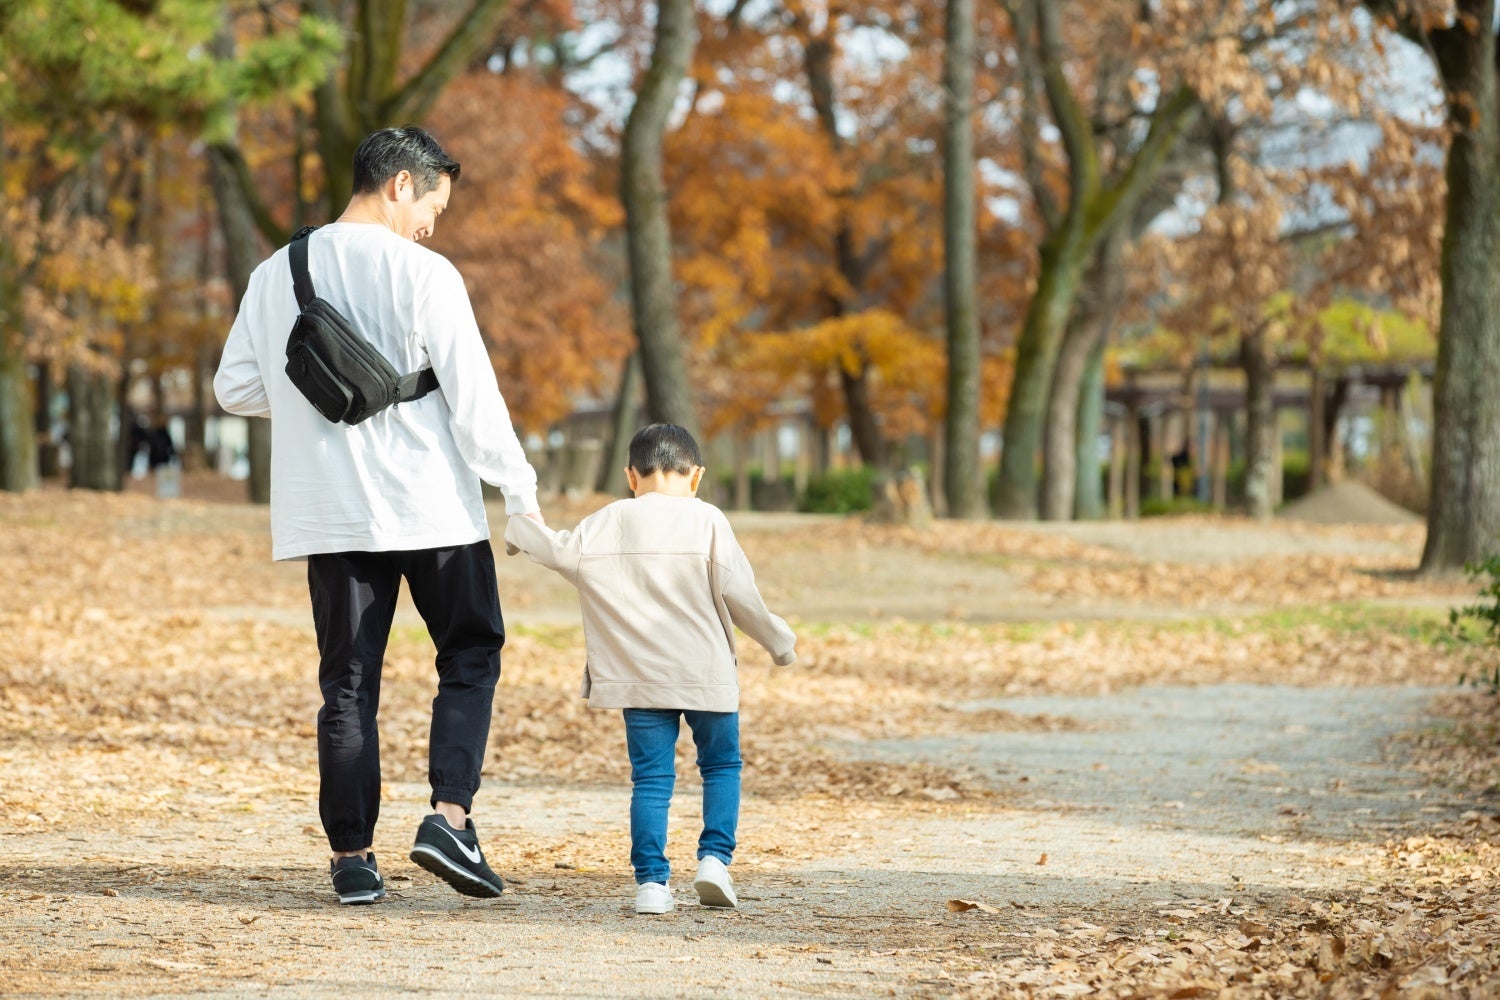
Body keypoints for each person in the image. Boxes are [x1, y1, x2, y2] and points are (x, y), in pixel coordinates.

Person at [213, 125, 542, 906]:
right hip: (433, 509)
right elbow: (475, 399)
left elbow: (234, 388)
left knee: (348, 683)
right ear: (401, 184)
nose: (435, 222)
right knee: (469, 654)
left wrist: (314, 409)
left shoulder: (273, 273)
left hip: (330, 514)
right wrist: (519, 494)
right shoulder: (425, 273)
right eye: (435, 202)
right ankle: (449, 820)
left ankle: (353, 860)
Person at [505, 423, 796, 915]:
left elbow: (557, 551)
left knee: (652, 780)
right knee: (721, 765)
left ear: (631, 476)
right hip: (706, 675)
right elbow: (740, 594)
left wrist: (520, 526)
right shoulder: (708, 520)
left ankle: (652, 885)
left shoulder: (611, 519)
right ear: (696, 475)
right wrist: (779, 643)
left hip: (639, 680)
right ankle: (714, 861)